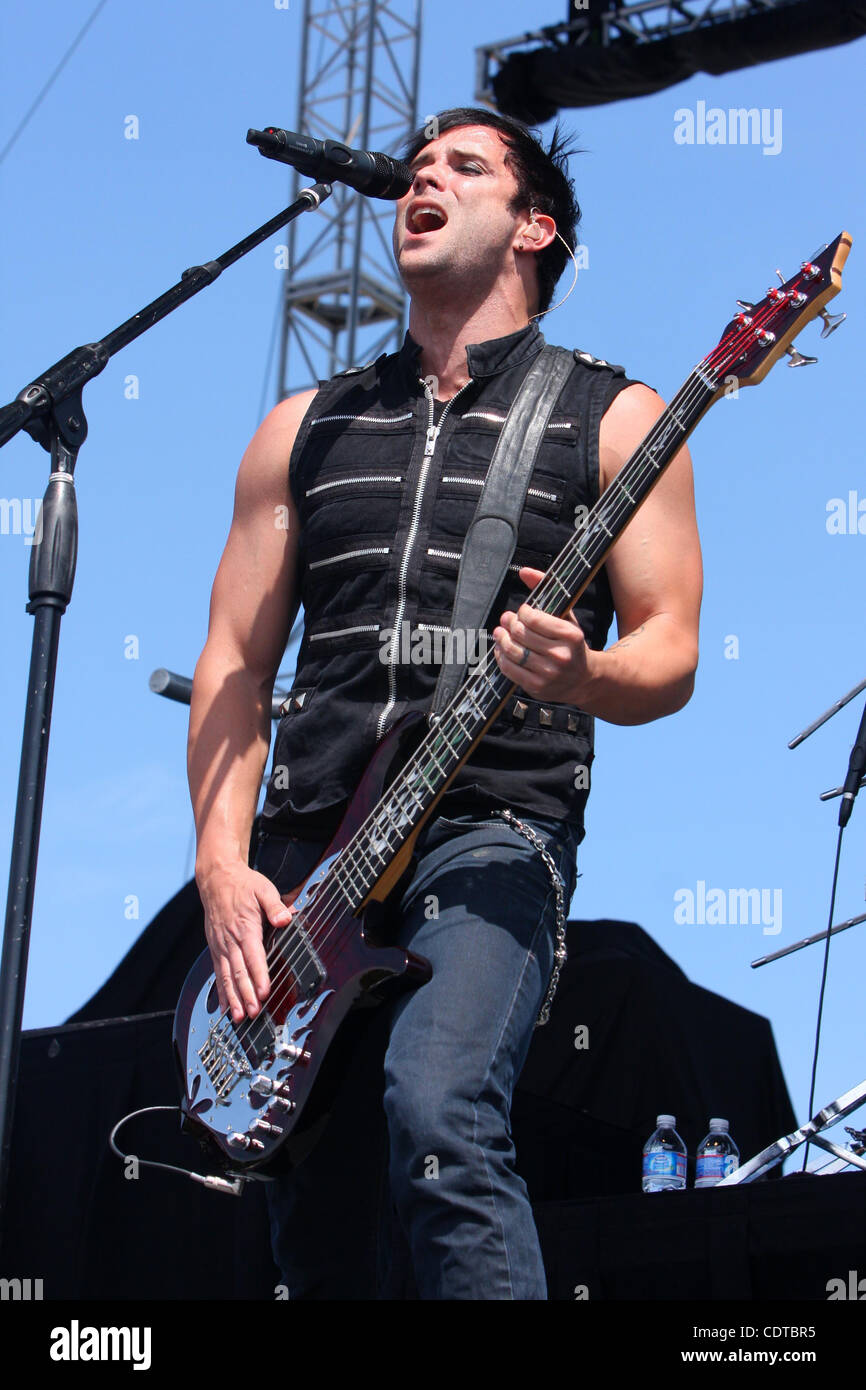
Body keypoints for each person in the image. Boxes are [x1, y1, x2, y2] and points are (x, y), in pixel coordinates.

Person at [186, 107, 702, 1299]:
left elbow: (670, 650)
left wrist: (583, 673)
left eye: (462, 167)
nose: (423, 178)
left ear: (534, 227)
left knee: (437, 1110)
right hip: (306, 855)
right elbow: (230, 664)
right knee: (316, 1221)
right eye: (416, 169)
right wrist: (221, 861)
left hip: (490, 830)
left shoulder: (610, 416)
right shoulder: (301, 429)